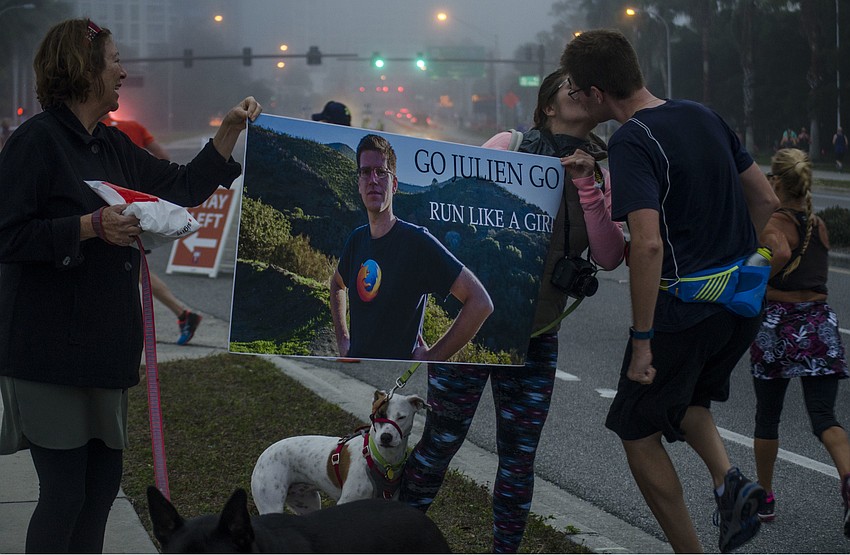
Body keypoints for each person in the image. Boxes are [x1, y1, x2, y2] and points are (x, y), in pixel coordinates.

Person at [0, 19, 260, 553]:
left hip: (105, 349)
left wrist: (228, 132)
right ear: (82, 68)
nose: (124, 70)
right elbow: (7, 235)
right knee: (64, 493)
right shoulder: (36, 143)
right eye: (114, 60)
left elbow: (183, 185)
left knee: (99, 494)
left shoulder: (110, 145)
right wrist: (89, 226)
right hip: (46, 353)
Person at [561, 29, 779, 553]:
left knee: (636, 430)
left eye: (574, 88)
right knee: (686, 402)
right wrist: (744, 260)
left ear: (596, 93)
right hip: (740, 304)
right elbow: (767, 200)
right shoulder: (702, 114)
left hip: (685, 310)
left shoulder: (633, 138)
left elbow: (649, 246)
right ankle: (732, 486)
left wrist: (642, 340)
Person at [399, 69, 626, 554]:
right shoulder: (510, 143)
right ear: (548, 106)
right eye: (571, 87)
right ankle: (395, 537)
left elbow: (608, 255)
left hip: (536, 335)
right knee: (441, 442)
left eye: (589, 86)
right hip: (471, 329)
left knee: (520, 460)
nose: (583, 92)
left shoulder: (603, 169)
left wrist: (586, 184)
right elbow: (459, 209)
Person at [749, 148, 850, 534]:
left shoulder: (775, 222)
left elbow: (780, 251)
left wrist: (757, 271)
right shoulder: (819, 225)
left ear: (776, 180)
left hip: (779, 325)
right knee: (824, 417)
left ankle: (766, 496)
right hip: (820, 325)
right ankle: (848, 478)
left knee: (768, 416)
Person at [329, 133, 493, 361]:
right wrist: (343, 340)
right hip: (355, 369)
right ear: (358, 183)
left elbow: (480, 302)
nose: (373, 179)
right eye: (365, 172)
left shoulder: (417, 242)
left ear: (394, 184)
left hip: (396, 381)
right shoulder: (357, 240)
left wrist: (431, 357)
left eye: (381, 172)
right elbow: (337, 284)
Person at [101, 114, 202, 345]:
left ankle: (181, 314)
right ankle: (183, 314)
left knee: (130, 270)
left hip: (113, 212)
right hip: (137, 208)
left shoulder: (94, 131)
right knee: (138, 269)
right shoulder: (133, 126)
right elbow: (163, 157)